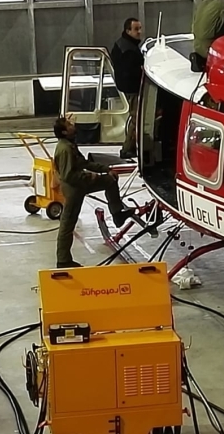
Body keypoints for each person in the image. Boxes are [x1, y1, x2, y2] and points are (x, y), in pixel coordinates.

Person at [52, 116, 135, 268]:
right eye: (69, 125)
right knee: (67, 224)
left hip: (80, 184)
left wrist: (106, 169)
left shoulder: (70, 145)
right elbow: (68, 175)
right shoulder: (64, 149)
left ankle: (117, 214)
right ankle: (63, 260)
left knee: (110, 181)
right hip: (74, 188)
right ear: (64, 132)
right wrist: (92, 176)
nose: (73, 125)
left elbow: (84, 163)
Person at [110, 18, 144, 159]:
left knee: (135, 117)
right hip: (132, 88)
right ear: (128, 30)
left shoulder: (122, 45)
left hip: (128, 86)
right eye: (136, 29)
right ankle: (128, 148)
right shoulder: (128, 49)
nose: (139, 32)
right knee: (136, 118)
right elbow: (131, 70)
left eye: (140, 28)